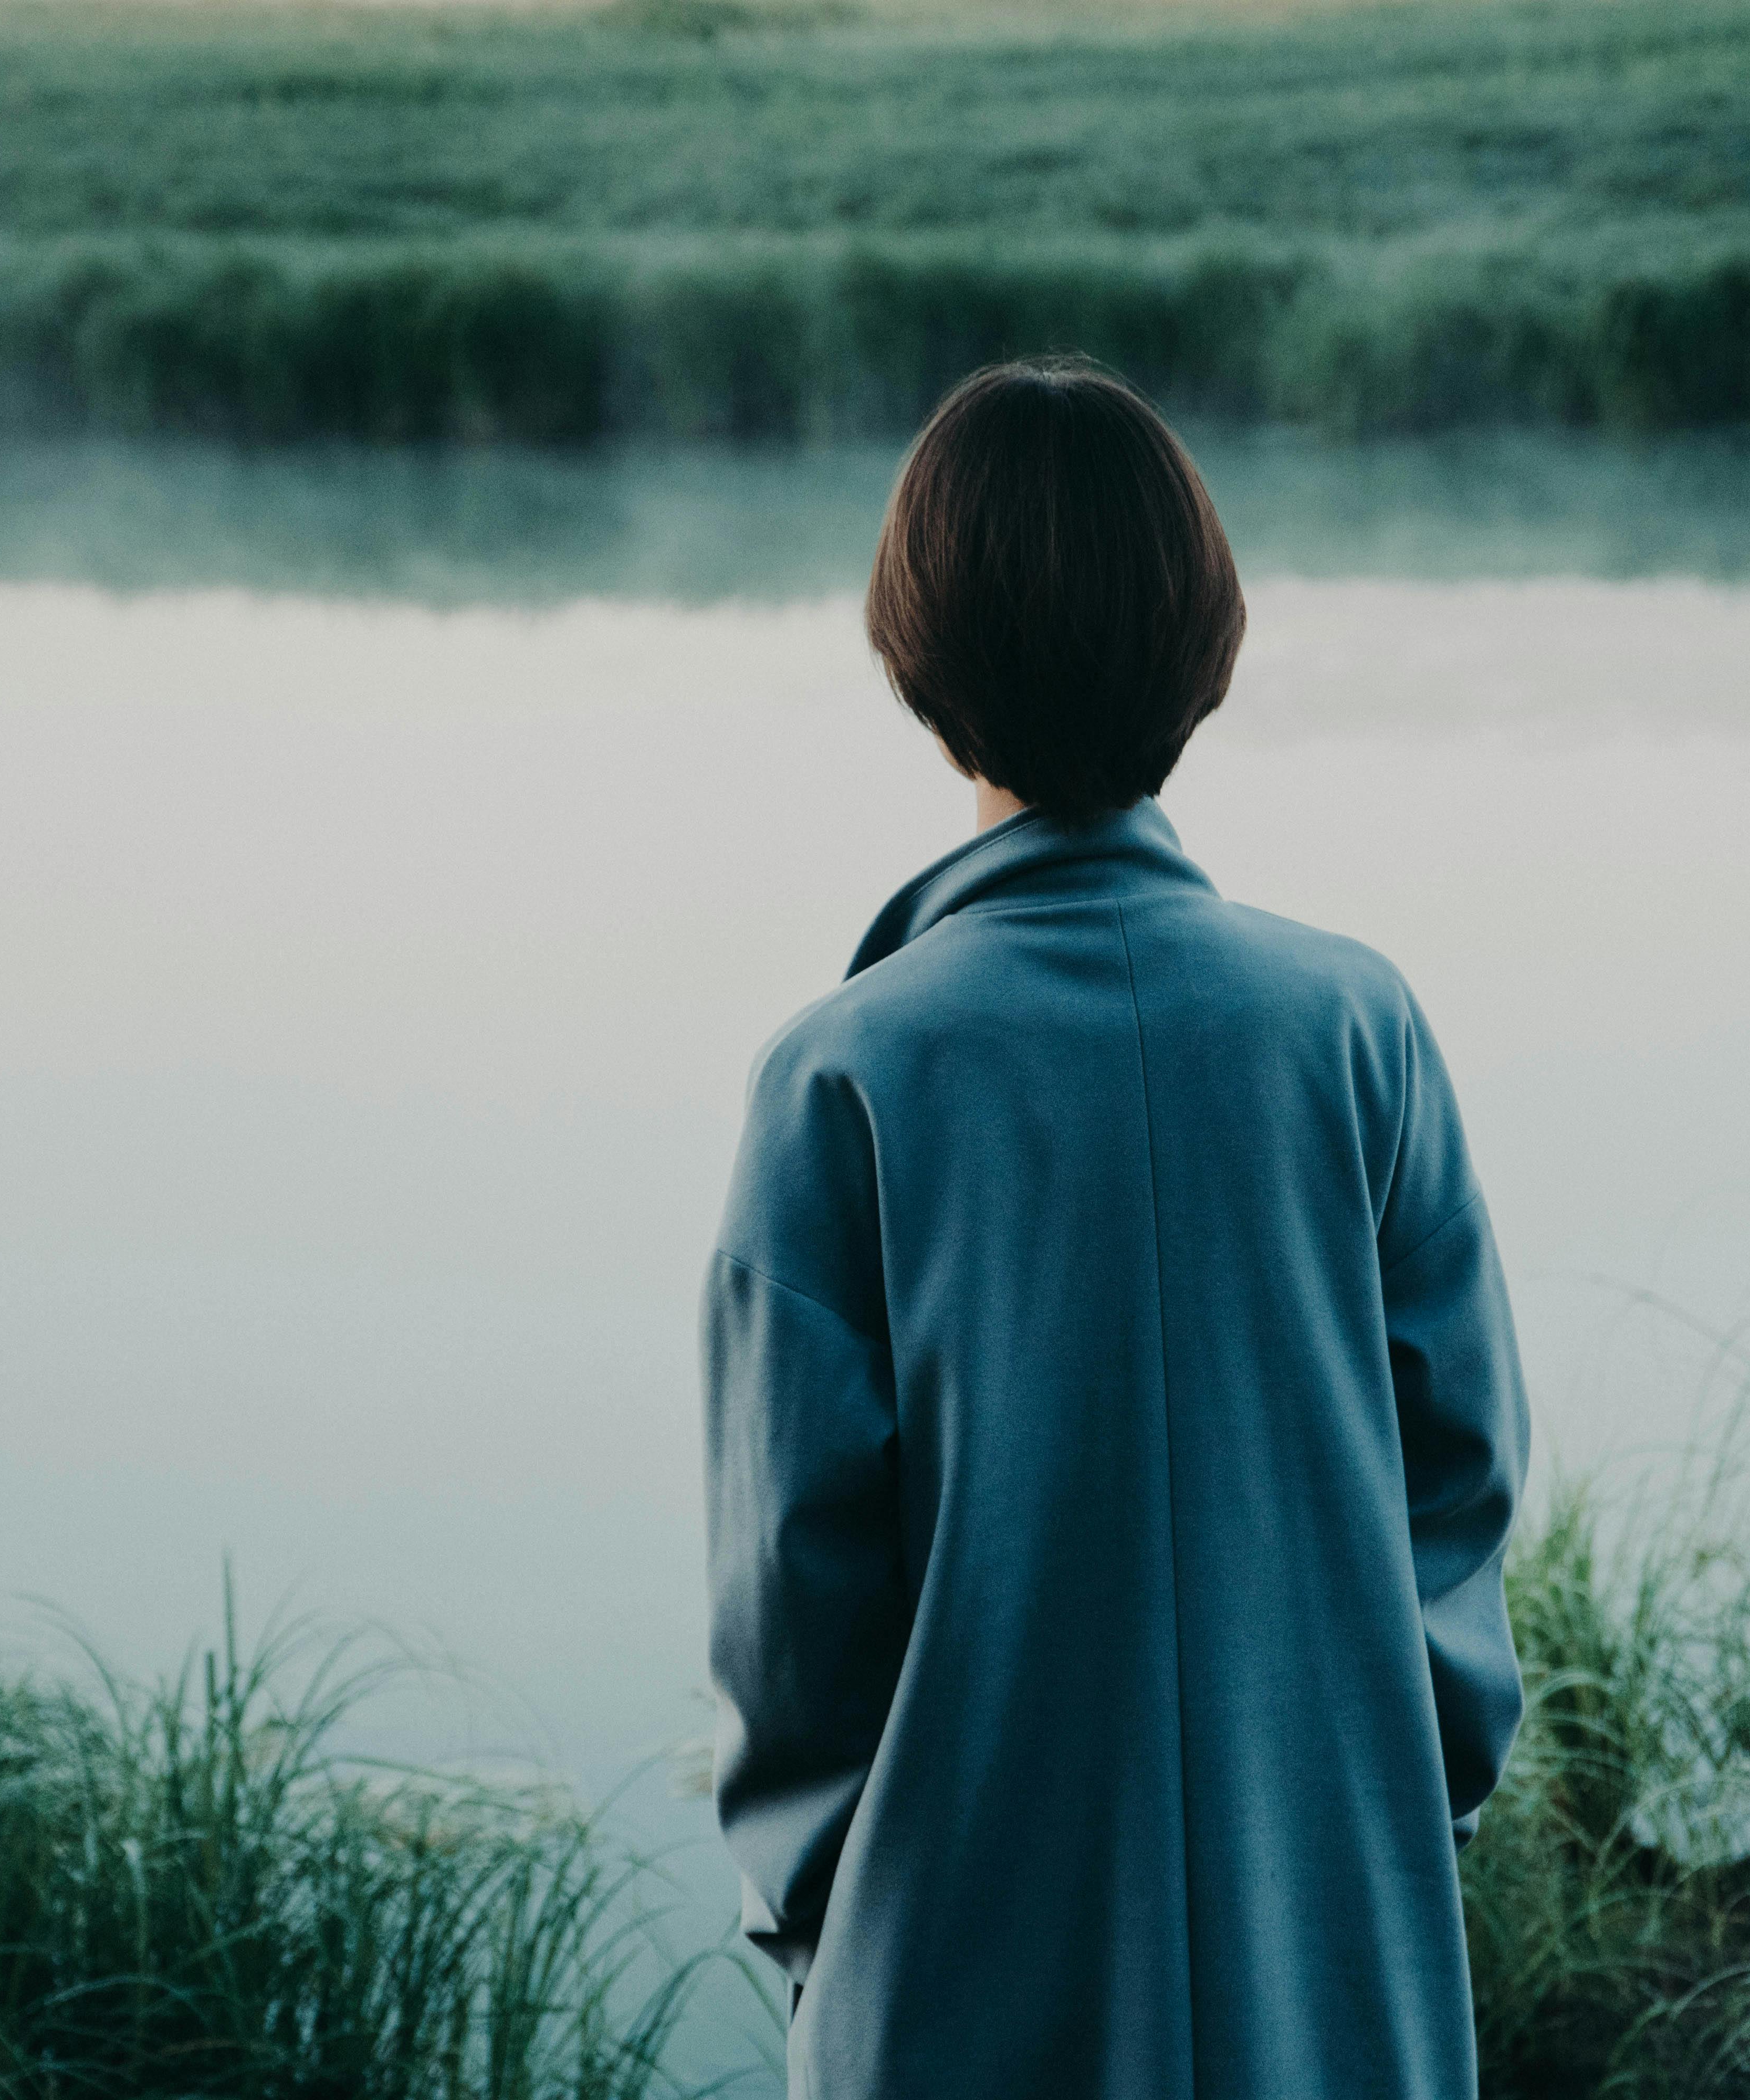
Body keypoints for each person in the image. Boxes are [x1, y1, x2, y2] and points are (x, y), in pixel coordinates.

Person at [701, 356, 1532, 2100]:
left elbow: (794, 1617)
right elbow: (1458, 1492)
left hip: (950, 1992)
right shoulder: (1354, 1027)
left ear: (918, 667)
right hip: (1335, 1970)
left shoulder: (845, 1079)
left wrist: (843, 1923)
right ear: (1205, 649)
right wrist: (1380, 1816)